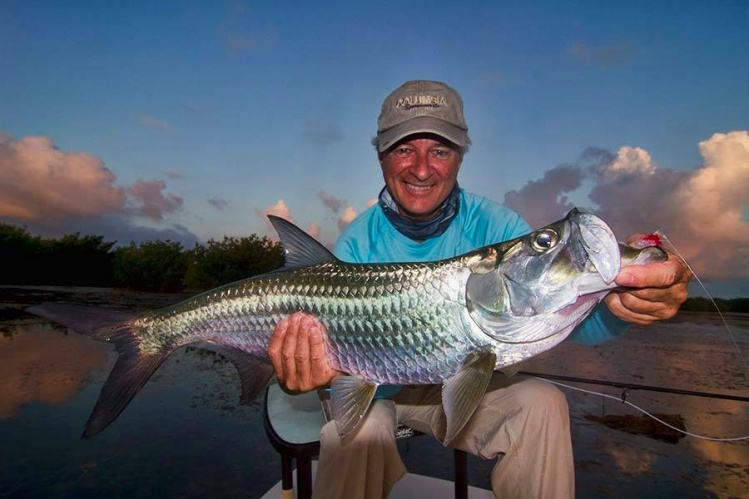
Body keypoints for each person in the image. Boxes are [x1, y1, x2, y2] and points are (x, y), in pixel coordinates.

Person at [267, 80, 691, 498]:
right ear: (381, 157)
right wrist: (302, 373)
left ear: (460, 157)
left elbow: (570, 319)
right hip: (383, 390)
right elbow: (334, 371)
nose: (420, 168)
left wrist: (617, 303)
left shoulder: (500, 228)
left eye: (439, 150)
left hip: (474, 378)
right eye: (403, 149)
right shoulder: (357, 241)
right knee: (357, 435)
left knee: (542, 404)